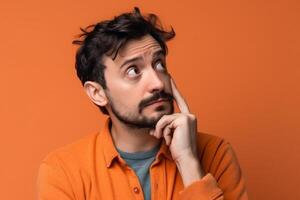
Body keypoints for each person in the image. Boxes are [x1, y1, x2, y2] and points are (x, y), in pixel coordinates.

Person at [37, 7, 248, 200]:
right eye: (133, 71)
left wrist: (188, 162)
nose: (157, 82)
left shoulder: (215, 153)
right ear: (97, 93)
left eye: (159, 64)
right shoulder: (63, 171)